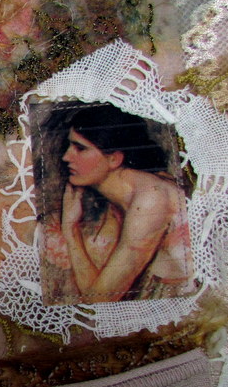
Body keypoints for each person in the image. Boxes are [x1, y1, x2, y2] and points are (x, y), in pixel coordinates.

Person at [48, 104, 192, 303]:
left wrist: (70, 230)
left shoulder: (150, 199)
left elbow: (99, 299)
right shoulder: (118, 203)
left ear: (114, 159)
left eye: (80, 148)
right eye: (69, 147)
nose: (66, 157)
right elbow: (97, 292)